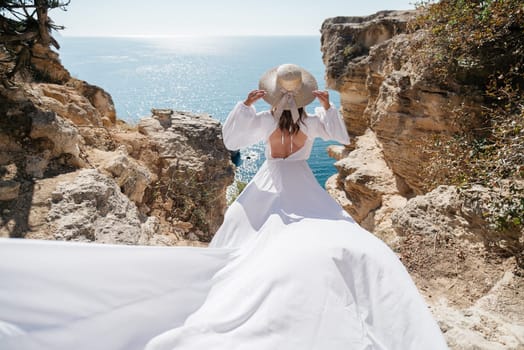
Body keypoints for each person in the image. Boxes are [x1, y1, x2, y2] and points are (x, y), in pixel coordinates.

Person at [0, 64, 449, 350]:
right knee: (322, 229)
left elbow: (233, 140)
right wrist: (330, 108)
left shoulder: (265, 119)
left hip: (271, 181)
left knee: (246, 238)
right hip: (300, 181)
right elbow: (341, 136)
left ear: (272, 96)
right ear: (304, 96)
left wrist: (243, 104)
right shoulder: (311, 122)